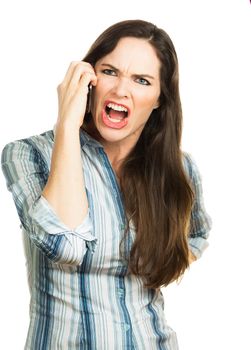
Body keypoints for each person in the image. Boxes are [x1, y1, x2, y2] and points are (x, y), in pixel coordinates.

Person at [1, 19, 212, 350]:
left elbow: (196, 235)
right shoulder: (27, 155)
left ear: (159, 98)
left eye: (142, 80)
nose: (121, 90)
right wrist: (67, 124)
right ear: (89, 79)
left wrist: (160, 251)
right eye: (110, 72)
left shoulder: (179, 169)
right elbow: (64, 244)